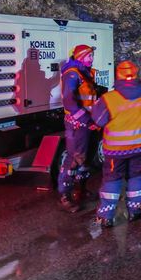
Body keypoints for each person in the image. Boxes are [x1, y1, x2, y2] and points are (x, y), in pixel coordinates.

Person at [90, 61, 141, 228]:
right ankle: (136, 210)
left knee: (112, 179)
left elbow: (98, 120)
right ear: (136, 73)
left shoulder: (109, 99)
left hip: (116, 151)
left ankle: (106, 216)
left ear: (117, 76)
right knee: (137, 177)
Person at [57, 44, 101, 213]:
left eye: (92, 56)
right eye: (89, 56)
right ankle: (65, 195)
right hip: (78, 123)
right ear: (81, 57)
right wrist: (84, 119)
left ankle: (81, 190)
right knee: (75, 157)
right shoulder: (72, 74)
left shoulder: (85, 72)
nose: (92, 59)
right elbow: (69, 101)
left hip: (90, 121)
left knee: (87, 157)